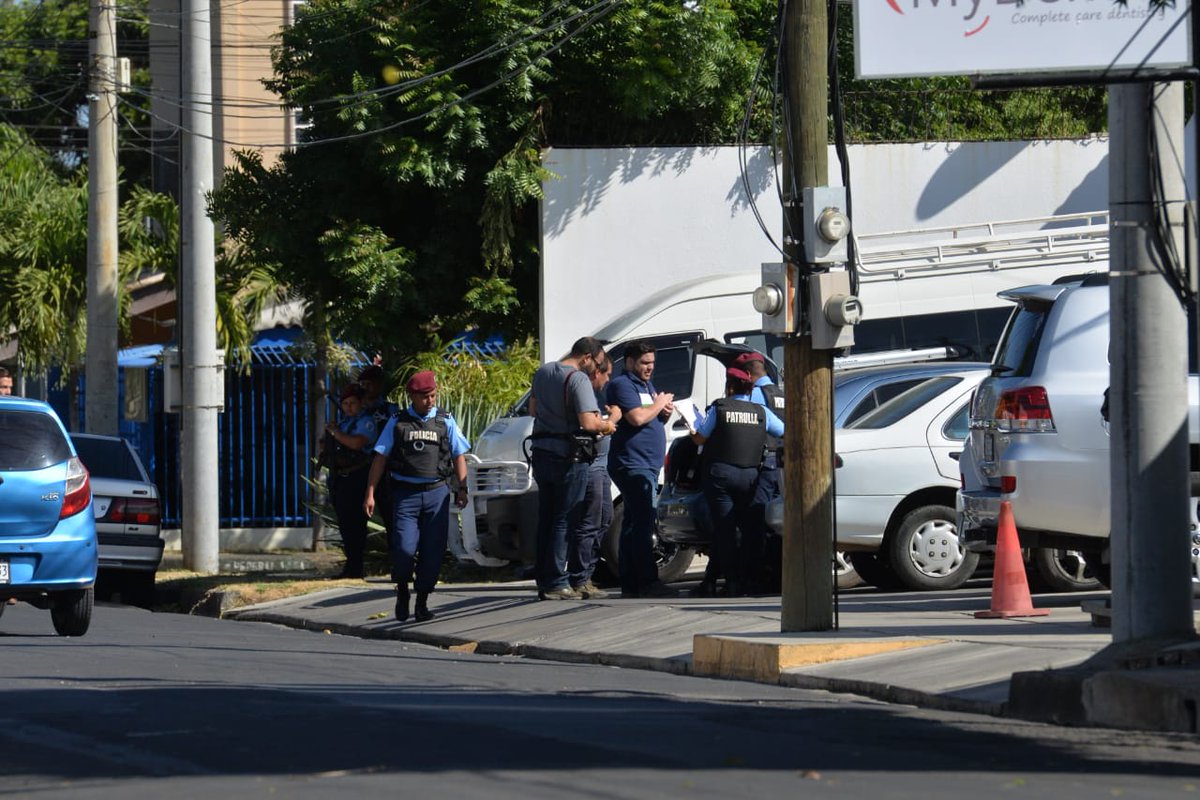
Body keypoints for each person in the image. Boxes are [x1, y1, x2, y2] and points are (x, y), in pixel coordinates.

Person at [364, 370, 470, 623]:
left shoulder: (445, 420)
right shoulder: (398, 422)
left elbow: (458, 455)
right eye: (424, 397)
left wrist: (462, 489)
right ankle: (402, 590)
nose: (430, 401)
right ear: (411, 396)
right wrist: (370, 492)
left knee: (432, 553)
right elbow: (380, 457)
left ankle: (422, 601)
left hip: (437, 493)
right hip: (406, 495)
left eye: (433, 396)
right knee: (403, 548)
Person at [528, 336, 614, 600]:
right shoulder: (577, 379)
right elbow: (588, 422)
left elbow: (533, 410)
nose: (596, 370)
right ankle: (557, 582)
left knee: (547, 517)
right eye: (597, 363)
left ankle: (544, 579)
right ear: (586, 357)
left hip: (541, 452)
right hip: (569, 455)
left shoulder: (543, 372)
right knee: (565, 518)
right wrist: (607, 426)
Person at [690, 367, 784, 597]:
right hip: (750, 477)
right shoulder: (761, 411)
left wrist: (691, 428)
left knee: (725, 530)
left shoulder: (720, 408)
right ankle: (747, 580)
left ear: (729, 386)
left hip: (720, 476)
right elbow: (782, 431)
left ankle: (730, 582)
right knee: (751, 530)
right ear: (750, 388)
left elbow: (701, 437)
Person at [606, 340, 677, 598]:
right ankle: (647, 581)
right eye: (645, 363)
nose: (650, 368)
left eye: (652, 363)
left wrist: (664, 412)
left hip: (646, 463)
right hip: (632, 464)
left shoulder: (646, 385)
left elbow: (650, 416)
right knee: (644, 522)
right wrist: (659, 405)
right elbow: (635, 418)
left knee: (634, 522)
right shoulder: (622, 385)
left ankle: (631, 582)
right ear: (629, 362)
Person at [568, 356, 621, 600]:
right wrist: (612, 421)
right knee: (590, 521)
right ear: (595, 373)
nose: (608, 379)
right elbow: (591, 428)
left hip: (602, 468)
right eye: (606, 374)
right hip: (591, 468)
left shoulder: (592, 395)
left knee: (605, 519)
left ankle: (588, 570)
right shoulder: (584, 392)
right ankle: (580, 577)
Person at [734, 351, 786, 593]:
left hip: (764, 464)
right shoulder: (780, 392)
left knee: (757, 521)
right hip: (783, 464)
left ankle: (757, 575)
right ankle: (779, 572)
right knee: (780, 522)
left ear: (747, 374)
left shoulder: (754, 394)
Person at [324, 384, 378, 578]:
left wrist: (336, 433)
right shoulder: (345, 422)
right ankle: (351, 566)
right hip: (341, 477)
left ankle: (356, 567)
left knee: (356, 524)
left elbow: (357, 443)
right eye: (345, 404)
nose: (348, 407)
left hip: (358, 476)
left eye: (352, 403)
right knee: (345, 524)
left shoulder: (366, 422)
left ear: (361, 403)